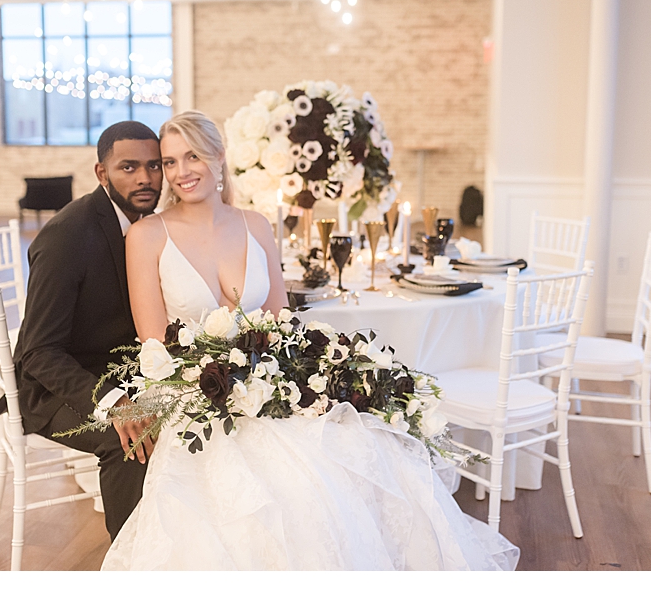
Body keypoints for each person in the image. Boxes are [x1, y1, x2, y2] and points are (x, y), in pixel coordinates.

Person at [100, 111, 519, 570]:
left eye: (193, 156)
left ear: (219, 158)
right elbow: (155, 343)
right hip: (199, 399)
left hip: (274, 385)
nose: (182, 172)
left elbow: (283, 319)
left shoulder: (256, 225)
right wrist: (230, 384)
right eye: (170, 161)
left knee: (356, 457)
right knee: (276, 487)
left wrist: (306, 374)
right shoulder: (145, 236)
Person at [8, 120, 163, 542]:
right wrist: (116, 404)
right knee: (132, 436)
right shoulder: (67, 237)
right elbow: (39, 352)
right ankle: (129, 561)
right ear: (101, 173)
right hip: (55, 389)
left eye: (154, 166)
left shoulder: (151, 224)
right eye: (128, 167)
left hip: (118, 369)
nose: (145, 178)